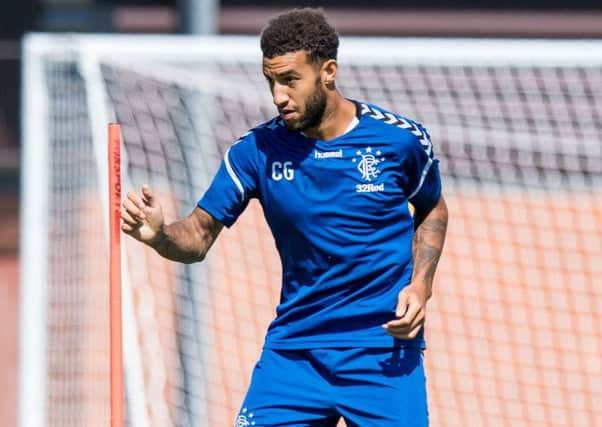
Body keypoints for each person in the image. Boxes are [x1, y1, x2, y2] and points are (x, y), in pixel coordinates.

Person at [121, 8, 448, 427]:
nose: (278, 96)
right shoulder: (255, 151)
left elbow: (432, 207)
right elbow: (197, 238)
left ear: (328, 72)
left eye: (290, 79)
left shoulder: (400, 141)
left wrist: (421, 286)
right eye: (270, 81)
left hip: (382, 350)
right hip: (294, 353)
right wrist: (160, 234)